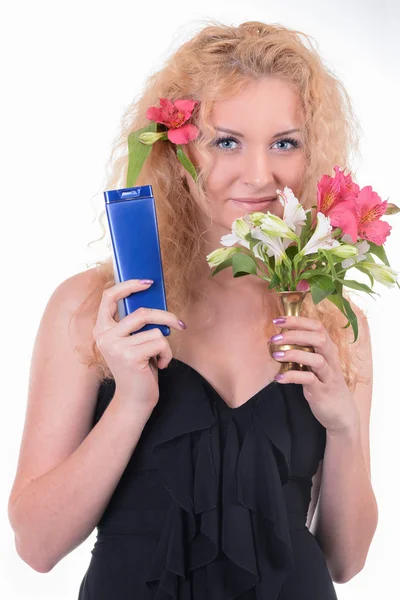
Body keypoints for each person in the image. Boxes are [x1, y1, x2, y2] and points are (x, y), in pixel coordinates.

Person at [8, 20, 378, 600]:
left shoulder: (330, 319)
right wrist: (131, 403)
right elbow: (36, 546)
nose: (260, 175)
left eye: (286, 142)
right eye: (226, 142)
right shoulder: (95, 308)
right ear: (177, 151)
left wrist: (345, 426)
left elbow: (348, 561)